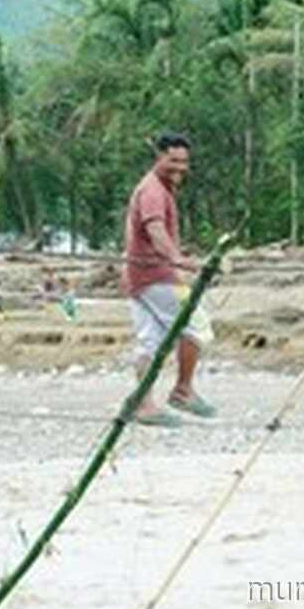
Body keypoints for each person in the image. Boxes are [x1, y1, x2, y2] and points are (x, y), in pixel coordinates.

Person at [120, 131, 216, 428]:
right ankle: (183, 390)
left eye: (184, 162)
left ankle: (142, 403)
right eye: (173, 161)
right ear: (159, 157)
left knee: (149, 340)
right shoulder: (152, 191)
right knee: (197, 326)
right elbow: (155, 230)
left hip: (138, 276)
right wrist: (176, 259)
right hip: (157, 276)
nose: (180, 168)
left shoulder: (158, 188)